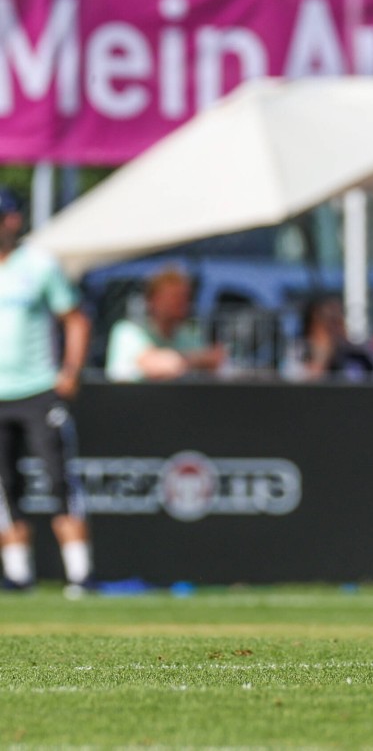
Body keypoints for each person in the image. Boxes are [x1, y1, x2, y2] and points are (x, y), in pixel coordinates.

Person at [0, 187, 95, 594]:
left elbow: (75, 318)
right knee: (5, 488)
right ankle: (19, 576)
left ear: (13, 220)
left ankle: (80, 576)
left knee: (58, 480)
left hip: (37, 390)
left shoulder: (38, 265)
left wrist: (69, 371)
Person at [105, 267, 226, 382]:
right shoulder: (128, 331)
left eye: (185, 297)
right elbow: (158, 364)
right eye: (174, 297)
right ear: (153, 299)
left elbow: (213, 364)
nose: (181, 303)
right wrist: (198, 360)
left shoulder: (188, 334)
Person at [299, 295, 373, 381]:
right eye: (329, 321)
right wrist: (324, 353)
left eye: (338, 319)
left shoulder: (360, 356)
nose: (335, 328)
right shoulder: (300, 352)